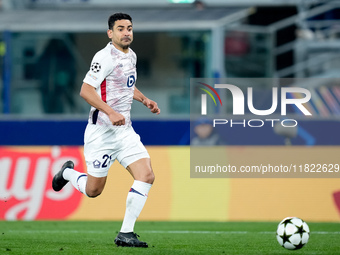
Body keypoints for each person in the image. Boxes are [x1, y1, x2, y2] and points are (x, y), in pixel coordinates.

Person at [52, 13, 160, 248]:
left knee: (147, 175)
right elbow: (86, 91)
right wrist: (110, 112)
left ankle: (126, 233)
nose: (126, 32)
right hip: (101, 134)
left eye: (129, 28)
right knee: (93, 191)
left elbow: (125, 85)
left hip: (125, 132)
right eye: (120, 28)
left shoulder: (131, 55)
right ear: (110, 33)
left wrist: (144, 99)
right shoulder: (104, 57)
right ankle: (67, 174)